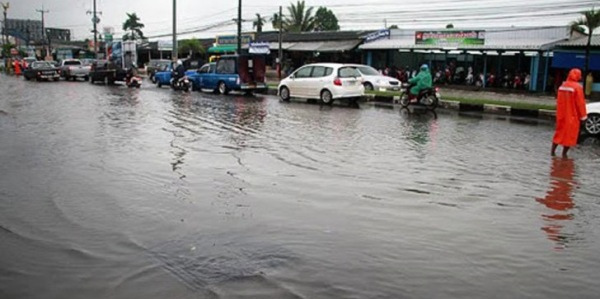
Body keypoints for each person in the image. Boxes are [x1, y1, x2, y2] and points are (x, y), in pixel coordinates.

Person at [551, 68, 588, 158]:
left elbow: (559, 101)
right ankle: (564, 155)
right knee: (570, 135)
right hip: (572, 115)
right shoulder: (577, 87)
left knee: (559, 133)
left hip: (561, 114)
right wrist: (583, 117)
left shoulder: (562, 86)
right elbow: (580, 104)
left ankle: (552, 153)